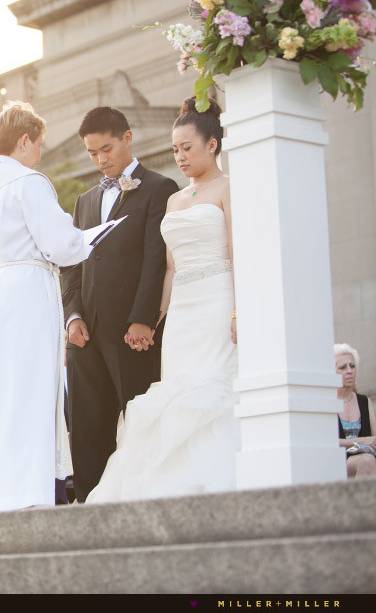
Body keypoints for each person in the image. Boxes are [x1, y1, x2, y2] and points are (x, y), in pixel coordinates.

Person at [87, 97, 240, 503]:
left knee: (213, 386)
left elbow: (236, 251)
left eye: (186, 148)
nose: (180, 157)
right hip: (184, 309)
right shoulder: (175, 200)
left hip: (218, 298)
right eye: (175, 150)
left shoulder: (229, 188)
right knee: (177, 389)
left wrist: (240, 310)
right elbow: (169, 269)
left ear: (212, 144)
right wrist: (156, 318)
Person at [0, 101, 88, 515]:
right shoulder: (28, 182)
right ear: (24, 140)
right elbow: (62, 245)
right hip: (25, 292)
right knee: (28, 388)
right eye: (39, 144)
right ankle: (26, 490)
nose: (41, 153)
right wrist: (86, 238)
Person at [62, 106, 179, 503]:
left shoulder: (160, 188)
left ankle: (148, 499)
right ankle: (92, 504)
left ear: (127, 138)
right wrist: (72, 316)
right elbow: (72, 265)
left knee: (140, 418)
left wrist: (143, 319)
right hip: (85, 336)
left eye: (106, 149)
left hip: (133, 333)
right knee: (87, 424)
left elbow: (155, 259)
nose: (100, 159)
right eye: (92, 153)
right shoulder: (84, 201)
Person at [335, 343, 376, 478]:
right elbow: (325, 442)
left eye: (352, 366)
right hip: (336, 464)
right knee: (366, 461)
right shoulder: (325, 403)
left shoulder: (364, 401)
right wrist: (363, 441)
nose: (349, 371)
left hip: (368, 460)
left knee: (367, 460)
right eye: (343, 367)